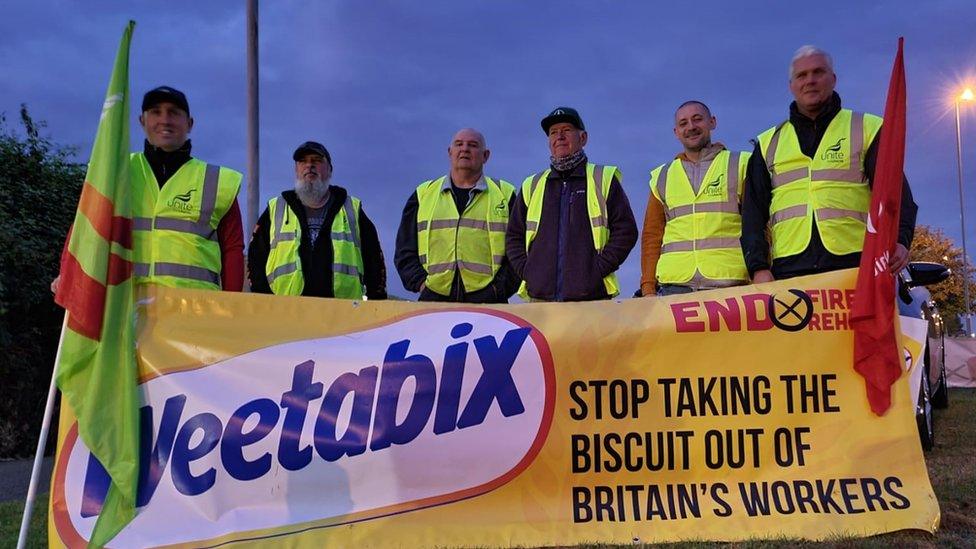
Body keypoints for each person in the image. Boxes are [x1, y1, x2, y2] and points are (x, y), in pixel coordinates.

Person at [741, 46, 917, 282]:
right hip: (790, 270)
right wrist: (758, 267)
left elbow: (896, 195)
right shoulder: (768, 143)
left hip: (856, 267)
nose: (810, 81)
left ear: (833, 79)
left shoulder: (867, 129)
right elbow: (752, 213)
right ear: (791, 85)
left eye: (818, 72)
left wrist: (901, 240)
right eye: (801, 75)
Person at [51, 85, 245, 293]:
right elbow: (84, 227)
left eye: (174, 112)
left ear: (189, 124)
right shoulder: (115, 171)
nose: (165, 119)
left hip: (195, 312)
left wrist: (232, 306)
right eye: (155, 112)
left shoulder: (218, 181)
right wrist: (68, 272)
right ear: (142, 121)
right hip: (125, 307)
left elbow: (232, 249)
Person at [506, 107, 638, 301]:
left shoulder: (603, 178)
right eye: (553, 132)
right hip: (540, 301)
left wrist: (596, 270)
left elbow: (626, 231)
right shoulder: (532, 185)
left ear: (583, 138)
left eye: (566, 130)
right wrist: (529, 272)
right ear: (549, 142)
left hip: (591, 300)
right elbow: (513, 236)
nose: (559, 136)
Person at [248, 141, 387, 299]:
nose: (309, 166)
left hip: (342, 313)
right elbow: (255, 260)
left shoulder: (351, 209)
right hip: (286, 313)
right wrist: (264, 301)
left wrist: (376, 303)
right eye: (303, 161)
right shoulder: (276, 208)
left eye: (316, 160)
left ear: (329, 170)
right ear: (296, 170)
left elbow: (374, 260)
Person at [394, 128, 519, 303]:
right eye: (459, 144)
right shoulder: (423, 195)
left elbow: (519, 249)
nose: (465, 149)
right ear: (450, 152)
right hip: (434, 301)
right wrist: (421, 284)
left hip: (490, 304)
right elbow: (404, 250)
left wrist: (499, 290)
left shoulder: (506, 195)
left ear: (486, 155)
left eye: (473, 145)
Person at [640, 101, 750, 296]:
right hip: (674, 288)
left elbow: (760, 226)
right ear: (676, 132)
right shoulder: (662, 176)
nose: (691, 127)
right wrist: (648, 288)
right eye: (683, 123)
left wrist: (761, 271)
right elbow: (652, 236)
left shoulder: (740, 164)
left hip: (731, 287)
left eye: (697, 119)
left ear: (712, 122)